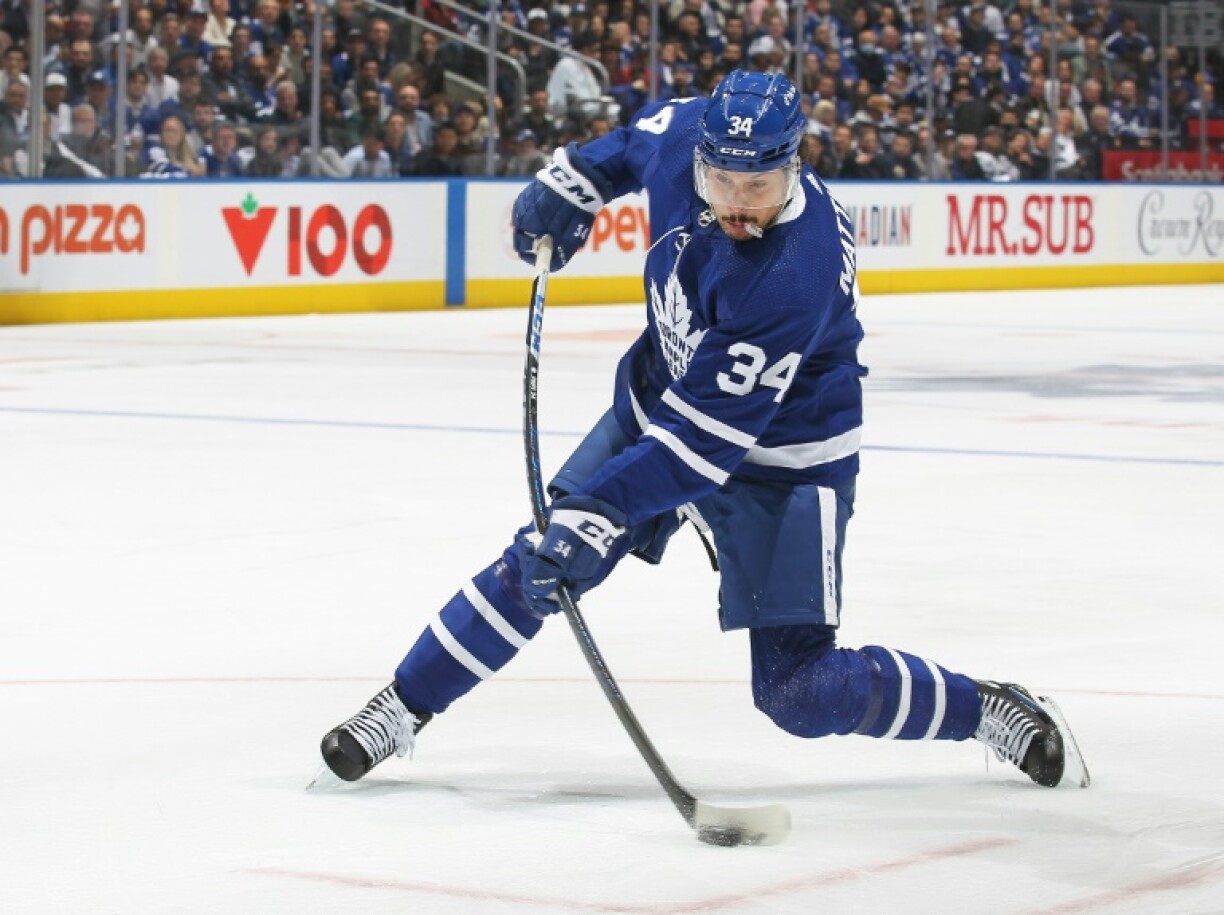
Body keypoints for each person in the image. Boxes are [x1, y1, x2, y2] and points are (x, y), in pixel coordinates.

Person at [319, 70, 1082, 793]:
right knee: (538, 561)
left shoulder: (794, 272)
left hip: (785, 461)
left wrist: (600, 509)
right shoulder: (688, 134)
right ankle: (402, 705)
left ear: (794, 167)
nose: (738, 204)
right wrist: (574, 182)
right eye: (723, 183)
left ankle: (986, 707)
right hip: (663, 398)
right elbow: (631, 144)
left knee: (798, 690)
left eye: (759, 187)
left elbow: (698, 448)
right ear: (702, 161)